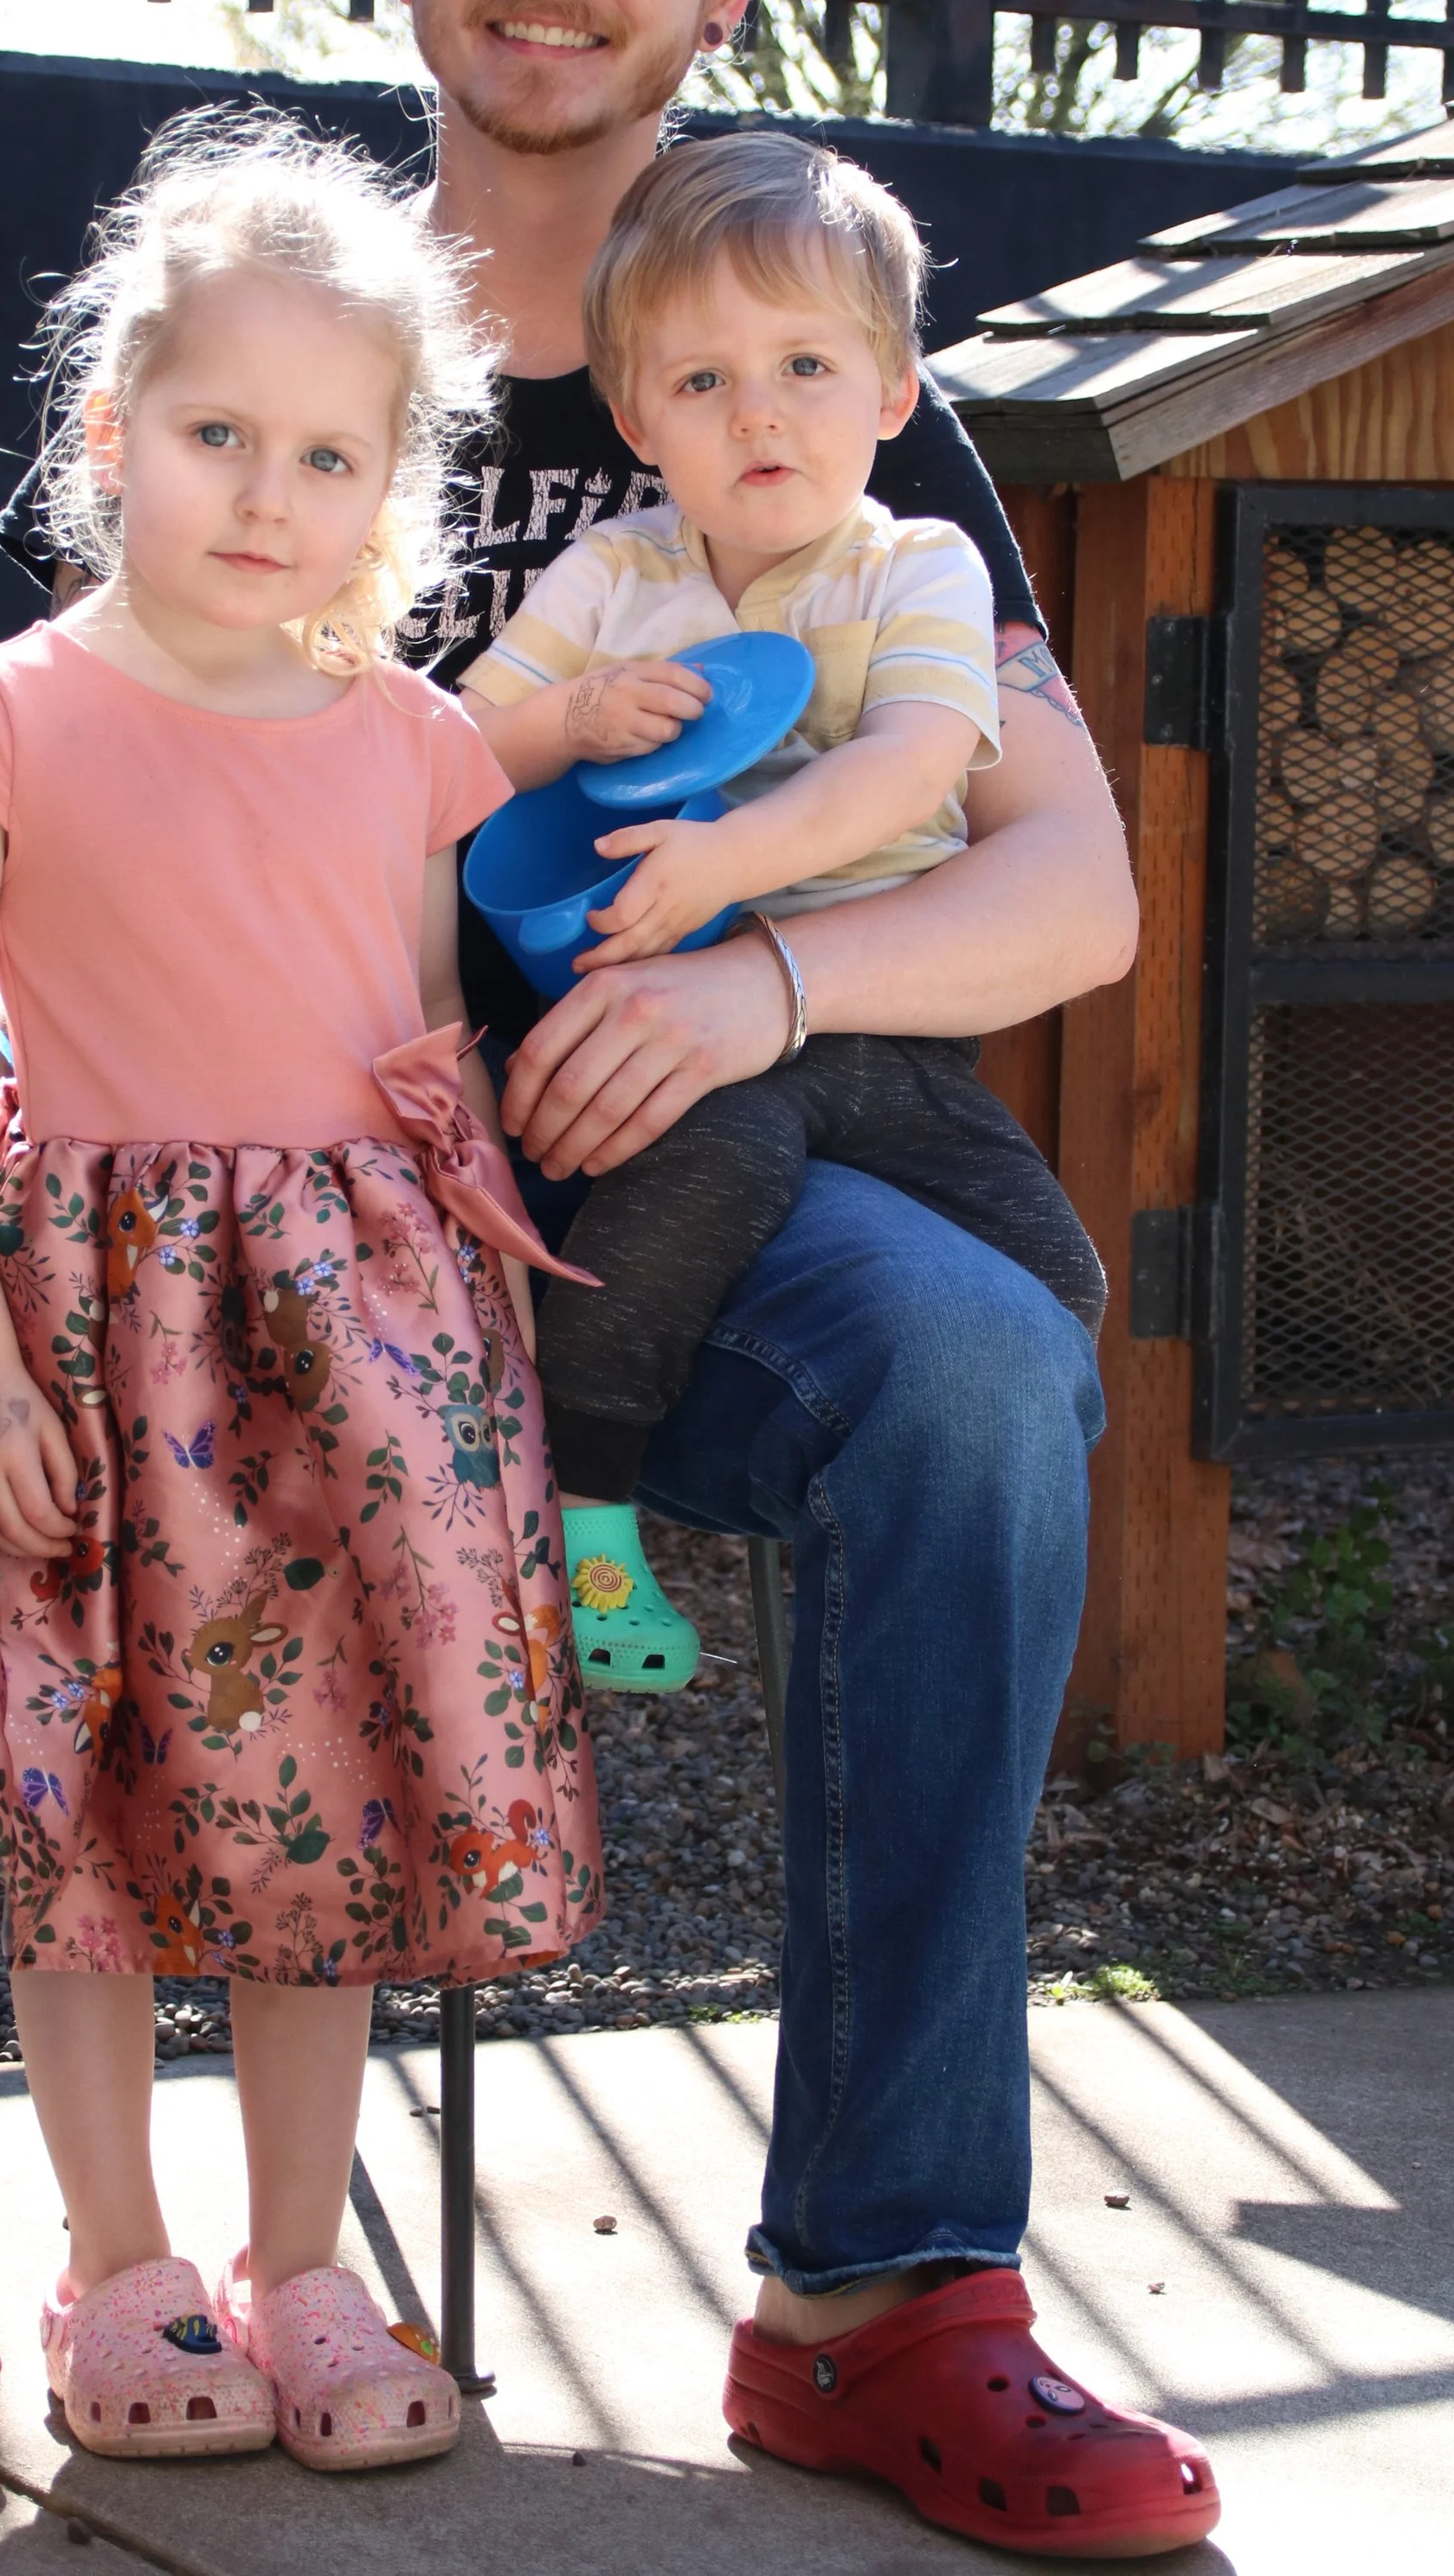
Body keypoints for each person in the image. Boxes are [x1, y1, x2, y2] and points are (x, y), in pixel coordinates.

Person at [0, 0, 1218, 2567]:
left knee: (977, 1372)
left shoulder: (798, 348)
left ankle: (887, 2297)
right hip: (203, 1180)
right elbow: (96, 782)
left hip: (677, 1203)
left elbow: (1072, 895)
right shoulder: (277, 328)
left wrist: (765, 1000)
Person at [0, 124, 599, 2478]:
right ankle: (117, 2251)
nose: (263, 491)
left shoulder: (408, 739)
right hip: (84, 1338)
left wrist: (468, 1368)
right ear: (106, 433)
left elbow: (414, 1054)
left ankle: (296, 2261)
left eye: (324, 453)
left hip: (336, 1352)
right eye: (212, 434)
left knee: (322, 1797)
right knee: (78, 1807)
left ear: (387, 483)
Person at [460, 132, 1105, 1693]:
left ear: (893, 397)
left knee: (1056, 1293)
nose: (757, 411)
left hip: (870, 1024)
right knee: (689, 1197)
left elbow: (912, 763)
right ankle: (586, 1504)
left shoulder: (915, 567)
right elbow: (458, 743)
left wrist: (739, 875)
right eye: (701, 382)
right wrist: (578, 715)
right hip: (671, 1029)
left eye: (806, 364)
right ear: (637, 419)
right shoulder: (618, 574)